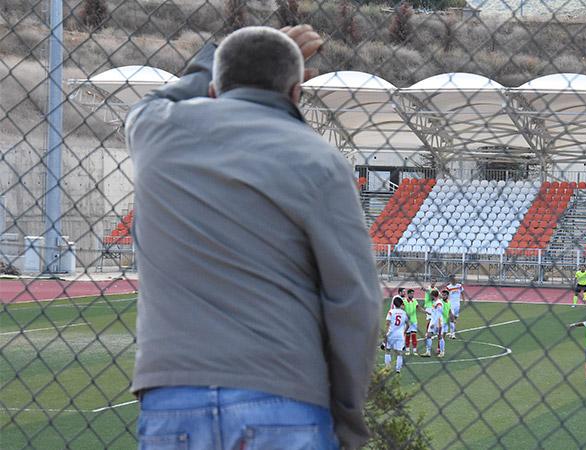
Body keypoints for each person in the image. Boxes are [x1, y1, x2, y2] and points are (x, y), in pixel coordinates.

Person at [127, 25, 381, 449]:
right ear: (297, 93)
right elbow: (354, 300)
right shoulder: (319, 159)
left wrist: (215, 53)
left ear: (212, 88)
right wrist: (347, 418)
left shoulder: (156, 130)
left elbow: (158, 99)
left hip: (173, 397)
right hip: (284, 394)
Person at [384, 296, 409, 374]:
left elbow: (387, 323)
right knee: (399, 353)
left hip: (391, 334)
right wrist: (404, 331)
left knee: (387, 351)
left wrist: (386, 333)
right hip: (400, 335)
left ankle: (387, 367)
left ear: (394, 304)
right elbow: (408, 325)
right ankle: (398, 369)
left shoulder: (391, 311)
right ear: (401, 304)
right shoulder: (404, 313)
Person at [422, 290, 445, 358]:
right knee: (428, 335)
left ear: (433, 296)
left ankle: (442, 352)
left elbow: (438, 314)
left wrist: (434, 323)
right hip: (433, 321)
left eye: (431, 295)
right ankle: (428, 352)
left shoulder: (439, 303)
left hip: (438, 323)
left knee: (440, 336)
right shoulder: (434, 302)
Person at [445, 274, 465, 339]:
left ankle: (451, 333)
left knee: (454, 319)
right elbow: (446, 295)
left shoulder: (459, 286)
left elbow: (462, 293)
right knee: (452, 318)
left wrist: (464, 301)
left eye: (455, 278)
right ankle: (453, 334)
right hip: (451, 305)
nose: (455, 279)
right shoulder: (448, 287)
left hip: (457, 305)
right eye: (453, 278)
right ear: (451, 280)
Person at [404, 289, 422, 356]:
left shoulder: (414, 300)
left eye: (413, 294)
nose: (412, 295)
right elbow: (402, 309)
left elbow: (419, 308)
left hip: (414, 321)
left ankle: (414, 350)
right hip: (407, 322)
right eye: (411, 294)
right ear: (408, 294)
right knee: (408, 335)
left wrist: (425, 312)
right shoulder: (404, 301)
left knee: (414, 335)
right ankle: (407, 350)